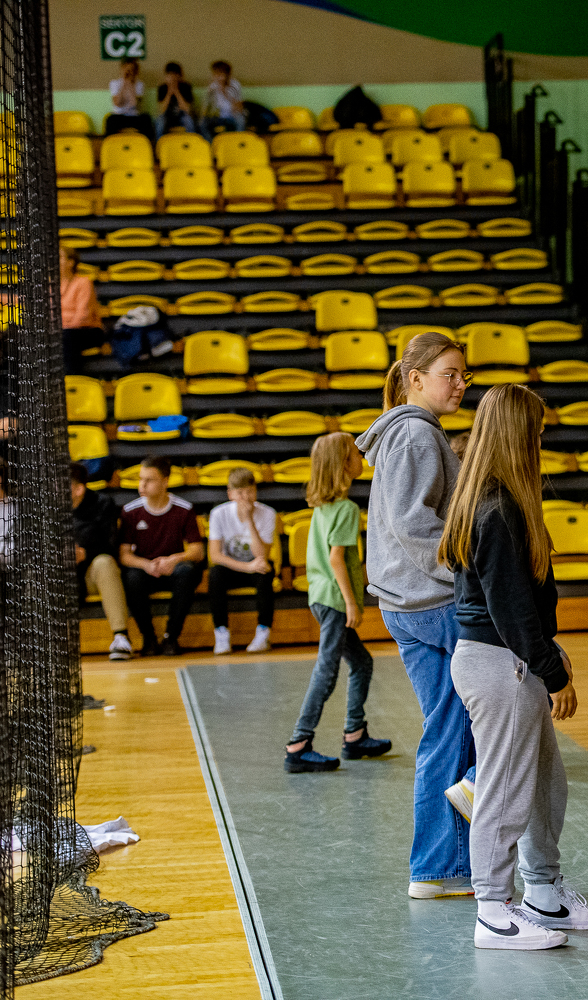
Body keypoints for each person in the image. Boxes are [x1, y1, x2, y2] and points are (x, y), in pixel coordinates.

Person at [439, 383, 588, 951]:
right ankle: (493, 911)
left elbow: (521, 604)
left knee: (544, 786)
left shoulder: (500, 499)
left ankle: (543, 894)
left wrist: (547, 652)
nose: (541, 441)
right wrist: (552, 672)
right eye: (536, 432)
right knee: (506, 790)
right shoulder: (498, 509)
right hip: (499, 665)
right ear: (517, 435)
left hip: (509, 659)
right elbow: (509, 610)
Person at [355, 332, 477, 899]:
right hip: (434, 602)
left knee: (447, 730)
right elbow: (415, 525)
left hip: (405, 603)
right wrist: (467, 579)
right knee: (512, 704)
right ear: (415, 378)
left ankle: (437, 869)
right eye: (450, 374)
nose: (460, 384)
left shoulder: (406, 432)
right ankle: (472, 801)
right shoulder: (415, 433)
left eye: (464, 375)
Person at [284, 433, 390, 773]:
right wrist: (352, 604)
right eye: (355, 454)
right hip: (334, 600)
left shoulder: (323, 507)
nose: (361, 458)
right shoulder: (346, 509)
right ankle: (299, 744)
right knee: (326, 671)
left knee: (361, 662)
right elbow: (336, 559)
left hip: (320, 597)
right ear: (344, 465)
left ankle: (355, 735)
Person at [119, 455, 205, 657]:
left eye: (149, 480)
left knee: (187, 572)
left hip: (173, 569)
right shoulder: (130, 511)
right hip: (146, 570)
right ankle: (148, 638)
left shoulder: (184, 509)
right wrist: (146, 565)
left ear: (165, 481)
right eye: (141, 479)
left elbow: (198, 551)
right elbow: (124, 555)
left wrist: (175, 559)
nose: (142, 485)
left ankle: (171, 637)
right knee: (131, 577)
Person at [208, 467, 277, 655]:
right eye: (240, 493)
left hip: (256, 565)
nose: (246, 497)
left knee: (266, 572)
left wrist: (249, 521)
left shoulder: (268, 513)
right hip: (234, 567)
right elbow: (215, 555)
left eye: (250, 491)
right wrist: (247, 567)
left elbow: (262, 554)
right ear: (230, 494)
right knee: (215, 574)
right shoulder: (218, 514)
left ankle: (263, 631)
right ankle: (221, 632)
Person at [70, 463, 131, 661]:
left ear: (79, 489)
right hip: (61, 576)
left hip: (91, 575)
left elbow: (111, 545)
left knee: (105, 562)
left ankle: (121, 637)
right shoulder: (47, 509)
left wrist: (84, 553)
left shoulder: (103, 504)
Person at [61, 246, 106, 375]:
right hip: (62, 331)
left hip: (88, 330)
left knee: (66, 336)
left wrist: (60, 328)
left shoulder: (83, 282)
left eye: (59, 257)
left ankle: (72, 377)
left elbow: (83, 316)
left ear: (71, 262)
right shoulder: (50, 286)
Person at [105, 58, 152, 136]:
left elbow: (135, 104)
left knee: (146, 118)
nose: (129, 72)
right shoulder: (114, 83)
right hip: (119, 116)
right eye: (127, 70)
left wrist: (130, 85)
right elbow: (117, 103)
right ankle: (110, 143)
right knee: (110, 120)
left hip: (134, 116)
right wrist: (124, 84)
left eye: (132, 70)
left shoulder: (140, 84)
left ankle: (145, 142)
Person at [154, 62, 198, 140]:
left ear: (180, 76)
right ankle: (159, 144)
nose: (172, 78)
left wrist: (177, 92)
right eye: (169, 75)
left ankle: (192, 142)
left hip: (182, 116)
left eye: (175, 75)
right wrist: (169, 93)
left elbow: (187, 109)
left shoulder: (186, 87)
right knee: (160, 122)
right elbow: (161, 110)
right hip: (167, 116)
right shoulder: (162, 88)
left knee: (189, 120)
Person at [202, 60, 246, 134]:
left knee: (241, 120)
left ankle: (239, 139)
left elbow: (238, 107)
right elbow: (207, 106)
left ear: (227, 74)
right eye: (215, 73)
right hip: (218, 116)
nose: (217, 76)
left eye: (220, 73)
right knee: (202, 123)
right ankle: (210, 141)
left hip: (233, 115)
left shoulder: (235, 84)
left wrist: (223, 90)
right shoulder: (213, 86)